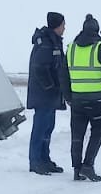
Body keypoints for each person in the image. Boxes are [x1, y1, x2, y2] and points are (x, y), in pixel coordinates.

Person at [66, 14, 101, 182]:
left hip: (77, 101)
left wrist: (68, 97)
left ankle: (77, 169)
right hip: (99, 101)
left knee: (77, 136)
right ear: (97, 31)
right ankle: (88, 166)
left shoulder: (71, 48)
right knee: (97, 134)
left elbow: (63, 75)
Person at [26, 12, 69, 175]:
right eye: (63, 25)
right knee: (41, 128)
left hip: (50, 96)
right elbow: (39, 68)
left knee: (48, 127)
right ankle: (35, 161)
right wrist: (50, 86)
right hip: (44, 95)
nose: (65, 28)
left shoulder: (53, 41)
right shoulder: (45, 43)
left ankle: (44, 159)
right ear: (57, 26)